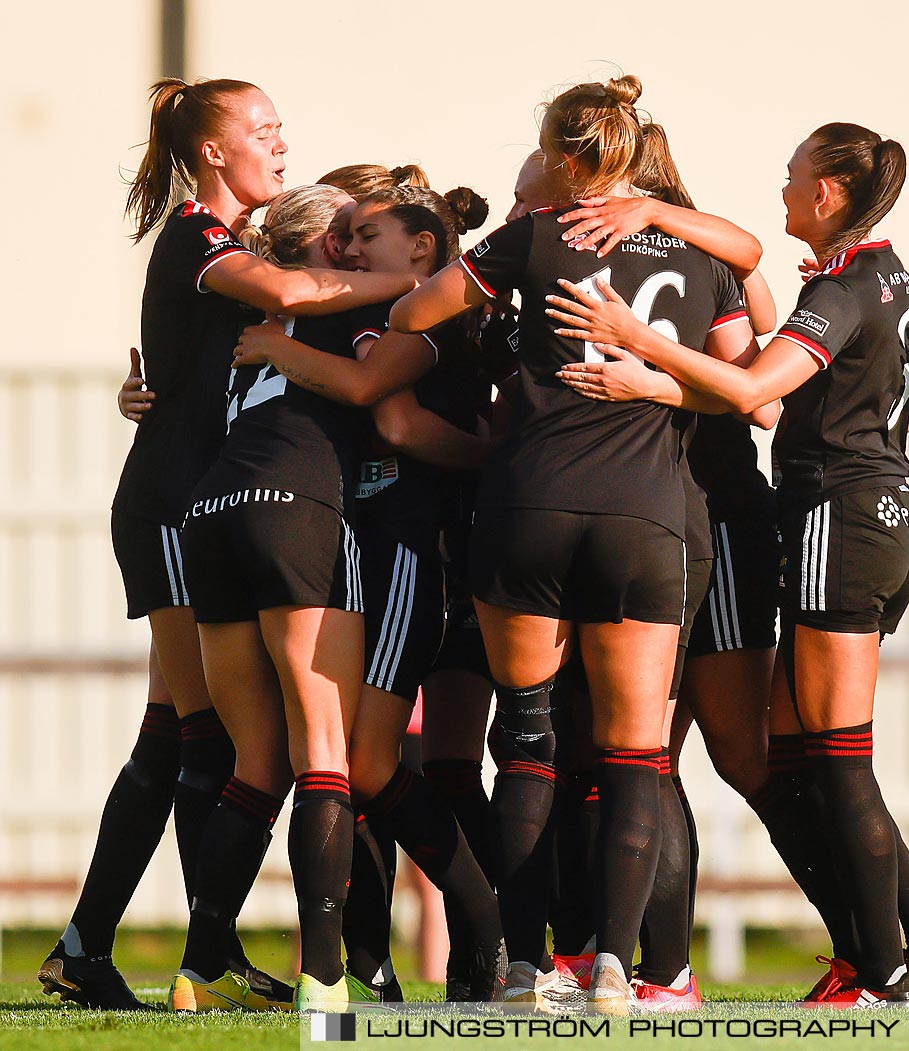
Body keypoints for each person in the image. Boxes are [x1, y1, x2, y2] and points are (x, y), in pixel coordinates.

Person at [548, 121, 909, 1007]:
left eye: (791, 178)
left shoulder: (845, 285)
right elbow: (905, 408)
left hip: (836, 518)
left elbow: (748, 392)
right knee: (789, 754)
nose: (781, 191)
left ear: (826, 195)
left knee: (834, 759)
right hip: (883, 511)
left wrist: (639, 344)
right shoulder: (892, 280)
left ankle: (886, 971)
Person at [387, 75, 751, 1016]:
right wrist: (656, 375)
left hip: (527, 502)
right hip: (645, 511)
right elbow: (737, 385)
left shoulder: (534, 235)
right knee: (636, 753)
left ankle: (519, 969)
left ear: (555, 156)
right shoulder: (703, 247)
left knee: (528, 741)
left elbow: (412, 314)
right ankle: (619, 977)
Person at [40, 78, 405, 1013]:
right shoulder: (199, 237)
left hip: (200, 497)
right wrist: (427, 279)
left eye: (285, 125)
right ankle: (161, 949)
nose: (282, 142)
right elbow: (286, 289)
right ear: (213, 150)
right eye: (264, 129)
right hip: (173, 504)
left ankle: (145, 946)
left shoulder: (236, 242)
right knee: (202, 735)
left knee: (193, 733)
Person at [230, 184, 508, 1003]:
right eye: (342, 238)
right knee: (347, 768)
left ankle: (486, 918)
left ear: (422, 250)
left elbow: (391, 422)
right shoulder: (378, 315)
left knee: (366, 761)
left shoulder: (421, 324)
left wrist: (275, 347)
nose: (349, 252)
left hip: (409, 554)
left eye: (366, 235)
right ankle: (382, 956)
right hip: (361, 551)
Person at [169, 182, 417, 1014]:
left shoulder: (251, 327)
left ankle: (200, 969)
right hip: (296, 509)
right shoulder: (343, 310)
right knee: (323, 751)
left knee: (254, 762)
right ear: (324, 246)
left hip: (210, 517)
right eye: (348, 233)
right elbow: (374, 400)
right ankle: (323, 976)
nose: (358, 246)